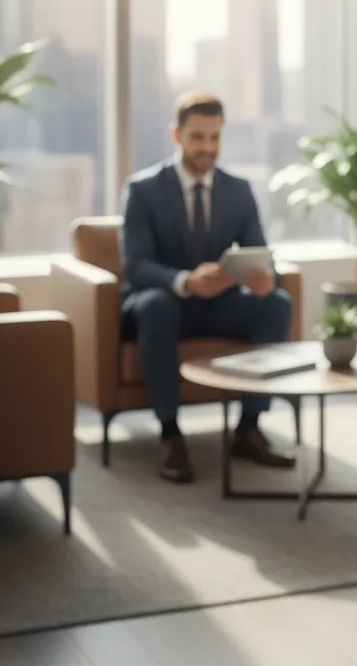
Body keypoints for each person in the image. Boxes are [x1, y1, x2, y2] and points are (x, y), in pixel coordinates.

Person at [120, 91, 296, 482]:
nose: (207, 148)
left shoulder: (238, 190)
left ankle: (249, 428)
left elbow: (260, 252)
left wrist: (265, 278)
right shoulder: (142, 190)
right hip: (165, 305)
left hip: (218, 303)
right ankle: (171, 435)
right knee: (155, 306)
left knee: (277, 303)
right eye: (197, 137)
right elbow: (136, 266)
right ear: (177, 135)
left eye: (214, 137)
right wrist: (185, 281)